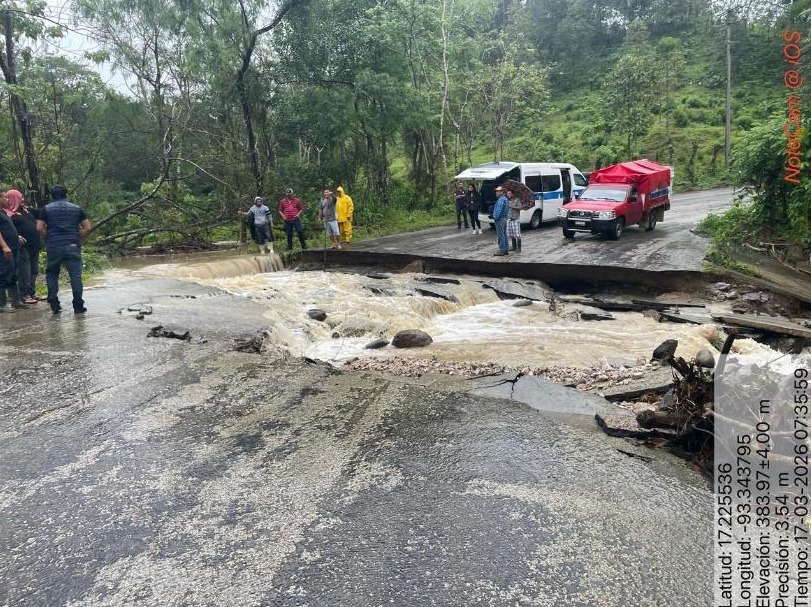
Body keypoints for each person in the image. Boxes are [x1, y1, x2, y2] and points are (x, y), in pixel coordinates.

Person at [36, 184, 91, 314]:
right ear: (66, 195)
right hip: (72, 245)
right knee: (75, 276)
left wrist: (47, 237)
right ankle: (78, 306)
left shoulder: (46, 209)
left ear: (52, 196)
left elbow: (39, 228)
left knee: (52, 274)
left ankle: (54, 302)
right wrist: (78, 237)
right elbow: (87, 227)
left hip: (54, 246)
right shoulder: (77, 209)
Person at [7, 190, 41, 303]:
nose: (22, 199)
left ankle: (32, 292)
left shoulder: (28, 211)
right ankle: (24, 295)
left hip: (34, 245)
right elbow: (8, 230)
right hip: (23, 247)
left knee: (34, 271)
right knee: (24, 271)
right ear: (14, 199)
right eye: (20, 197)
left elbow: (42, 213)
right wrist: (17, 236)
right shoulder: (9, 215)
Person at [0, 191, 25, 312]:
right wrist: (4, 246)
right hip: (4, 250)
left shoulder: (3, 212)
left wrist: (17, 236)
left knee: (13, 274)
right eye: (4, 197)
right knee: (3, 274)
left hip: (14, 247)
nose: (7, 200)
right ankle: (1, 304)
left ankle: (16, 300)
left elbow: (7, 228)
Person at [492, 185, 510, 256]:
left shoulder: (501, 200)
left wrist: (495, 217)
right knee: (504, 235)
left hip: (500, 219)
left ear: (501, 192)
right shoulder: (505, 199)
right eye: (496, 191)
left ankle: (502, 250)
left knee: (500, 235)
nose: (496, 192)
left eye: (497, 191)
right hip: (504, 218)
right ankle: (506, 249)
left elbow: (499, 210)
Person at [506, 187, 522, 252]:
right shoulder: (507, 201)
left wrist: (514, 207)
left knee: (517, 234)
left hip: (515, 219)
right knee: (512, 234)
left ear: (512, 194)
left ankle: (519, 248)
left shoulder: (517, 200)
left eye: (509, 193)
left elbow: (520, 207)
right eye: (507, 194)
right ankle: (514, 247)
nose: (508, 195)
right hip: (509, 219)